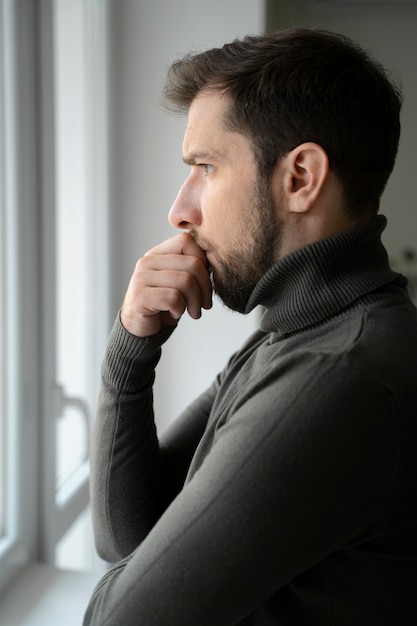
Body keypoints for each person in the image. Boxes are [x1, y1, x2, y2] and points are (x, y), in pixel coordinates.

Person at [83, 28, 417, 625]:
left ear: (300, 178)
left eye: (206, 166)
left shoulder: (340, 375)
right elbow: (127, 535)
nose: (180, 210)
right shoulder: (300, 333)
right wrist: (131, 347)